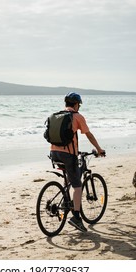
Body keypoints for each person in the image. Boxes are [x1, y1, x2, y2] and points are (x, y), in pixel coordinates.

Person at [50, 92, 105, 232]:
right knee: (78, 186)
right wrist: (99, 149)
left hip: (54, 153)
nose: (78, 107)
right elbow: (89, 135)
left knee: (69, 177)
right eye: (78, 105)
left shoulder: (56, 115)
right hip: (68, 155)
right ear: (76, 104)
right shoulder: (77, 116)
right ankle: (76, 217)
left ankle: (66, 200)